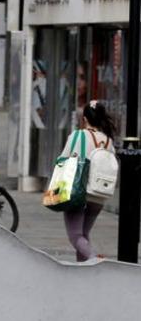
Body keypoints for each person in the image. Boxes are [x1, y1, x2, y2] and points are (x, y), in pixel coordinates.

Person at [60, 100, 116, 262]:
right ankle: (84, 272)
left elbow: (63, 160)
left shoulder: (77, 135)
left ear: (84, 119)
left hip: (78, 193)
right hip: (98, 195)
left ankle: (96, 260)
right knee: (83, 235)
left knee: (75, 237)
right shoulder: (108, 141)